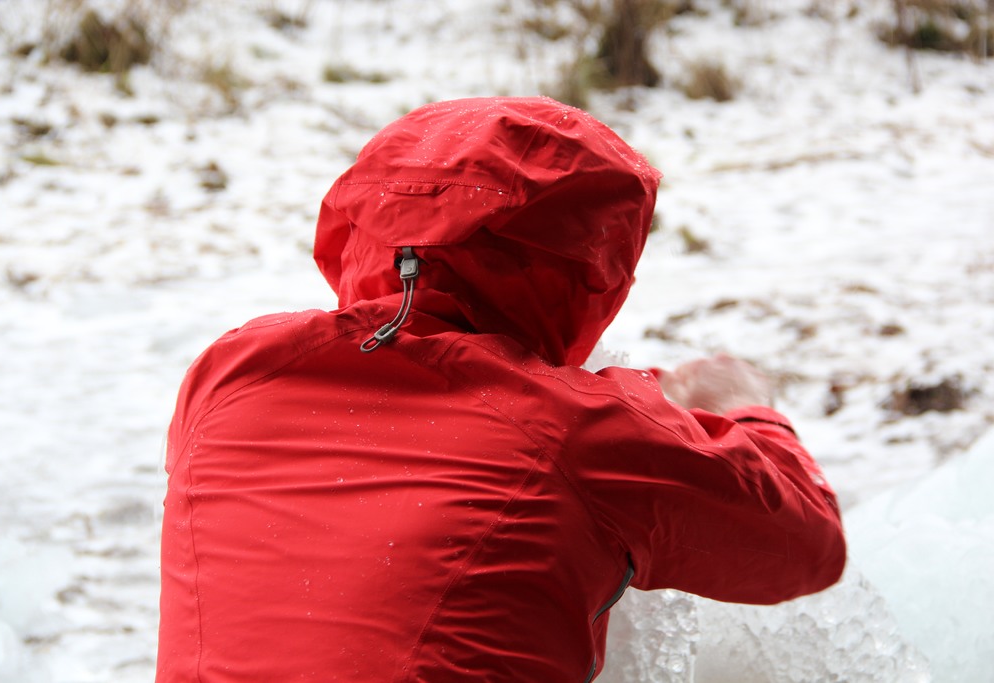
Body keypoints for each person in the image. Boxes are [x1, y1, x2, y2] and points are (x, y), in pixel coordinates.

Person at [156, 96, 845, 682]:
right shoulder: (576, 432)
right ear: (588, 267)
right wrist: (743, 408)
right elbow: (808, 545)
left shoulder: (230, 372)